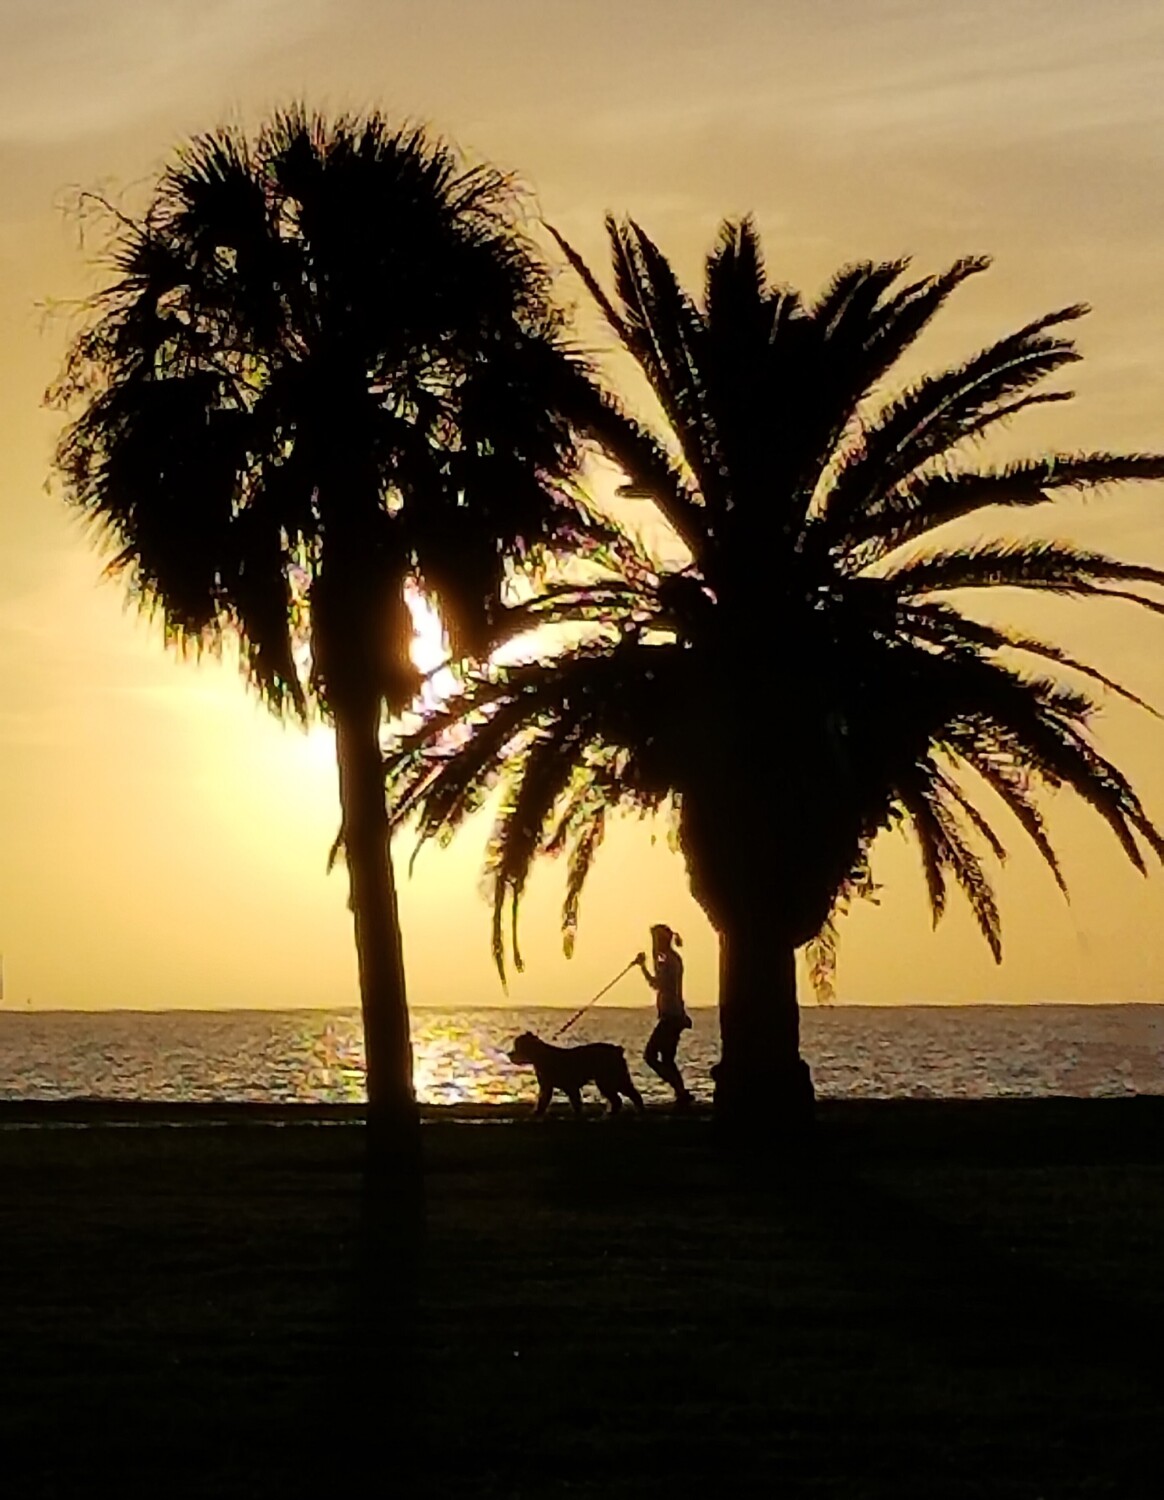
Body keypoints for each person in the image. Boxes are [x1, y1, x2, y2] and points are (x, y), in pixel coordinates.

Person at [636, 924, 694, 1109]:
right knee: (667, 1058)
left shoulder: (668, 961)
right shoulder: (670, 959)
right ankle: (681, 1093)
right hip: (672, 1014)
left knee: (650, 1055)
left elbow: (657, 984)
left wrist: (642, 967)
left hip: (671, 1015)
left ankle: (680, 1091)